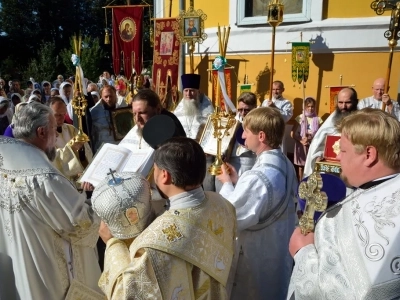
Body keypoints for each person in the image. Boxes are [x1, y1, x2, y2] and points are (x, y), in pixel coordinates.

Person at [98, 137, 237, 299]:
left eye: (154, 170)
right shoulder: (221, 204)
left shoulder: (156, 244)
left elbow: (127, 294)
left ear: (165, 175)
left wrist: (113, 244)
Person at [287, 108, 400, 300]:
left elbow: (339, 294)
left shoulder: (367, 213)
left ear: (369, 155)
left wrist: (303, 253)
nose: (338, 158)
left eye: (343, 150)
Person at [0, 102, 102, 299]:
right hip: (47, 273)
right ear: (41, 132)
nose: (57, 137)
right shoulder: (44, 178)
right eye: (54, 130)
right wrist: (100, 195)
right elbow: (82, 224)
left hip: (16, 266)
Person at [216, 107, 297, 300]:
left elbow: (233, 215)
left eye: (246, 131)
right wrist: (238, 181)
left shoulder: (257, 177)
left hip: (256, 255)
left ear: (261, 136)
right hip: (277, 246)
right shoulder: (285, 163)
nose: (243, 136)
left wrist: (227, 185)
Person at [303, 87, 358, 177]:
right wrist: (318, 156)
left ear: (355, 102)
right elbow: (318, 144)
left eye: (347, 102)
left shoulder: (361, 121)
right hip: (331, 171)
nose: (343, 106)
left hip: (352, 169)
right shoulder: (331, 119)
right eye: (340, 102)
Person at [120, 89, 185, 150]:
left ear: (158, 109)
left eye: (142, 113)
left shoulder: (169, 130)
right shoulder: (144, 124)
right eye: (134, 114)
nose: (137, 119)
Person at [49, 97, 93, 187]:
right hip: (61, 184)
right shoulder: (45, 135)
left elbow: (87, 152)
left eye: (63, 114)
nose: (62, 118)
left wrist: (85, 170)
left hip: (80, 181)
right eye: (57, 115)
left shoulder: (71, 129)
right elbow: (52, 159)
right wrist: (71, 148)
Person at [291, 97, 323, 181]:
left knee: (311, 165)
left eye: (312, 106)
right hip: (301, 145)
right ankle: (301, 183)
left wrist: (311, 138)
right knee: (301, 166)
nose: (310, 108)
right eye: (308, 106)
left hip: (312, 145)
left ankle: (310, 183)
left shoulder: (318, 119)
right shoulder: (300, 118)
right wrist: (301, 140)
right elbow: (292, 133)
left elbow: (320, 134)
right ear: (304, 107)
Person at [261, 80, 293, 155]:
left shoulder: (286, 103)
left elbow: (286, 117)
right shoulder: (266, 101)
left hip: (278, 131)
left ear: (282, 90)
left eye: (277, 89)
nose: (275, 92)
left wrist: (274, 107)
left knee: (279, 153)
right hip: (266, 130)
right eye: (273, 89)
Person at [90, 85, 125, 153]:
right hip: (103, 149)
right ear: (101, 97)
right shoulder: (94, 112)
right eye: (106, 97)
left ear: (115, 95)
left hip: (120, 147)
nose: (108, 99)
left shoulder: (122, 109)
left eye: (111, 96)